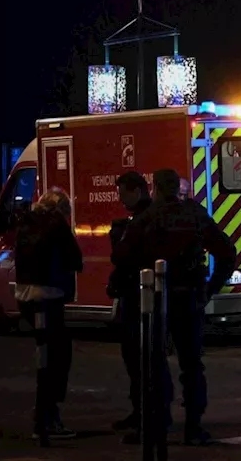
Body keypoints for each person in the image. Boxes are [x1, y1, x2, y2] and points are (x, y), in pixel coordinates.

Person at [112, 169, 237, 445]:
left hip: (157, 300)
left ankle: (157, 424)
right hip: (190, 296)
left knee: (154, 364)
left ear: (155, 188)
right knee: (191, 365)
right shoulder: (195, 215)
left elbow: (120, 256)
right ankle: (194, 426)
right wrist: (210, 289)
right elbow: (227, 252)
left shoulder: (147, 218)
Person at [13, 190, 82, 441]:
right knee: (56, 358)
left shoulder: (27, 222)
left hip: (25, 298)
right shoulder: (57, 226)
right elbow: (75, 260)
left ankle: (44, 416)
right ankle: (47, 418)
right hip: (48, 297)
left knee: (44, 357)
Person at [109, 172, 152, 433]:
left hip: (139, 299)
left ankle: (145, 416)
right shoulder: (143, 218)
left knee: (139, 360)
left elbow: (122, 256)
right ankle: (142, 412)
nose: (120, 198)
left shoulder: (141, 221)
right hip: (143, 296)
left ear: (137, 190)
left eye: (123, 192)